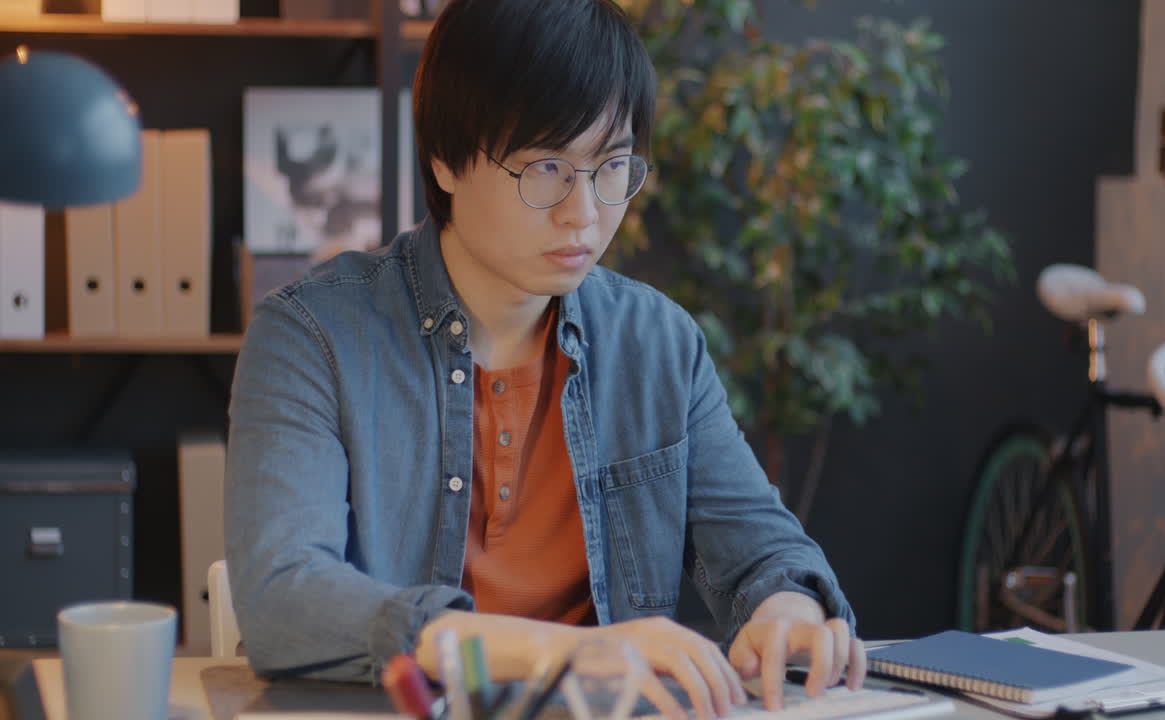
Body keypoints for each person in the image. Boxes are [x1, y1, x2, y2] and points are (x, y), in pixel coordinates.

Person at [225, 0, 865, 716]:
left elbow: (764, 551)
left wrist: (788, 614)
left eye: (612, 166)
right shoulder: (313, 337)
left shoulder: (657, 343)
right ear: (445, 160)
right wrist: (553, 651)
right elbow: (282, 597)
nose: (584, 213)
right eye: (547, 168)